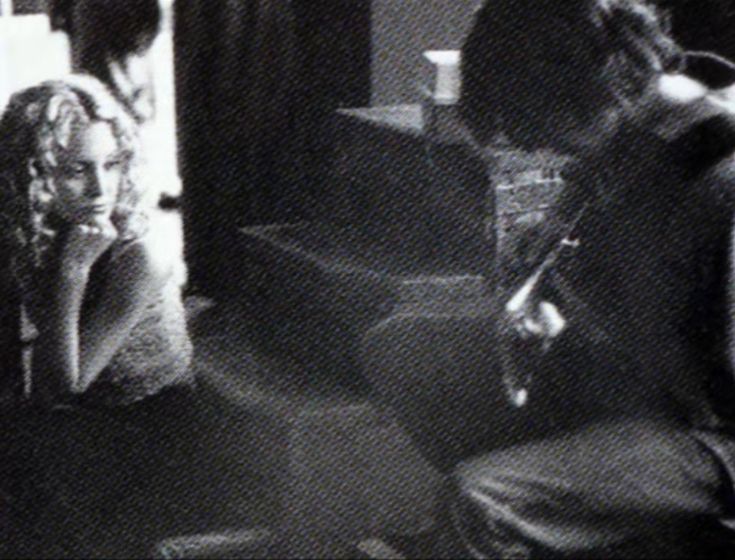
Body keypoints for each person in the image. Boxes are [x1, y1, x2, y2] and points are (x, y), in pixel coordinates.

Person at [361, 0, 735, 557]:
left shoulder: (722, 173)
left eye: (541, 128)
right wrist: (545, 281)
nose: (540, 150)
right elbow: (589, 242)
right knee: (401, 348)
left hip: (707, 435)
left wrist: (598, 321)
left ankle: (512, 518)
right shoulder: (629, 125)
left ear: (600, 87)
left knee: (483, 498)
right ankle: (547, 526)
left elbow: (716, 388)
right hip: (636, 381)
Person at [0, 75, 201, 557]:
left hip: (149, 434)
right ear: (34, 173)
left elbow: (60, 388)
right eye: (75, 170)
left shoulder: (140, 255)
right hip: (75, 422)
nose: (100, 188)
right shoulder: (32, 227)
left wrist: (74, 269)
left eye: (111, 165)